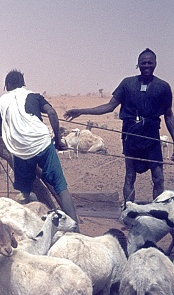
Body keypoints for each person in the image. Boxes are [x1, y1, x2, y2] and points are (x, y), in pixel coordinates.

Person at [64, 48, 174, 202]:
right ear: (138, 65)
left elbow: (168, 115)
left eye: (150, 63)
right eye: (143, 63)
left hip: (152, 136)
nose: (147, 66)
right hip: (131, 135)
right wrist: (81, 111)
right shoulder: (127, 83)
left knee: (158, 177)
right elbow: (109, 107)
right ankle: (128, 210)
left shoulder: (163, 87)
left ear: (155, 64)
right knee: (130, 176)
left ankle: (158, 210)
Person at [0, 69, 79, 223]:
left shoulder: (2, 102)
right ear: (23, 84)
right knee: (60, 186)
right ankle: (74, 226)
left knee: (24, 190)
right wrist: (58, 140)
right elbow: (52, 113)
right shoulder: (34, 96)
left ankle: (28, 225)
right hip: (43, 143)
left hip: (20, 150)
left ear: (7, 85)